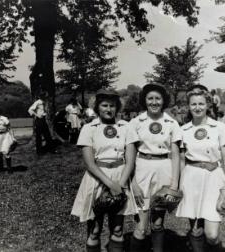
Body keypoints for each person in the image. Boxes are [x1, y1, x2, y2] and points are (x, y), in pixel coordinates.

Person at [71, 89, 137, 252]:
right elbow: (89, 163)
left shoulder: (126, 127)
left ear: (118, 107)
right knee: (94, 230)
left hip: (120, 176)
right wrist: (110, 184)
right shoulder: (89, 128)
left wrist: (120, 184)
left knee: (117, 229)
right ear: (97, 107)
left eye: (112, 106)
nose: (109, 109)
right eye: (104, 105)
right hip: (97, 178)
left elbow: (130, 160)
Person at [176, 89, 225, 252]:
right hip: (191, 179)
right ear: (189, 106)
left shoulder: (219, 127)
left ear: (207, 105)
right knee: (196, 230)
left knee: (211, 235)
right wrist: (178, 185)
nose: (197, 107)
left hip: (214, 179)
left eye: (201, 104)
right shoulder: (183, 130)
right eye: (193, 104)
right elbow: (182, 160)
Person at [124, 83, 182, 252]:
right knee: (141, 227)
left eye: (158, 98)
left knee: (157, 224)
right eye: (150, 98)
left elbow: (176, 155)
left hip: (164, 170)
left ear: (163, 101)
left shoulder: (171, 122)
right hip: (142, 170)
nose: (154, 102)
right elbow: (130, 155)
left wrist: (174, 184)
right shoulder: (136, 122)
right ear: (145, 100)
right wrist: (132, 183)